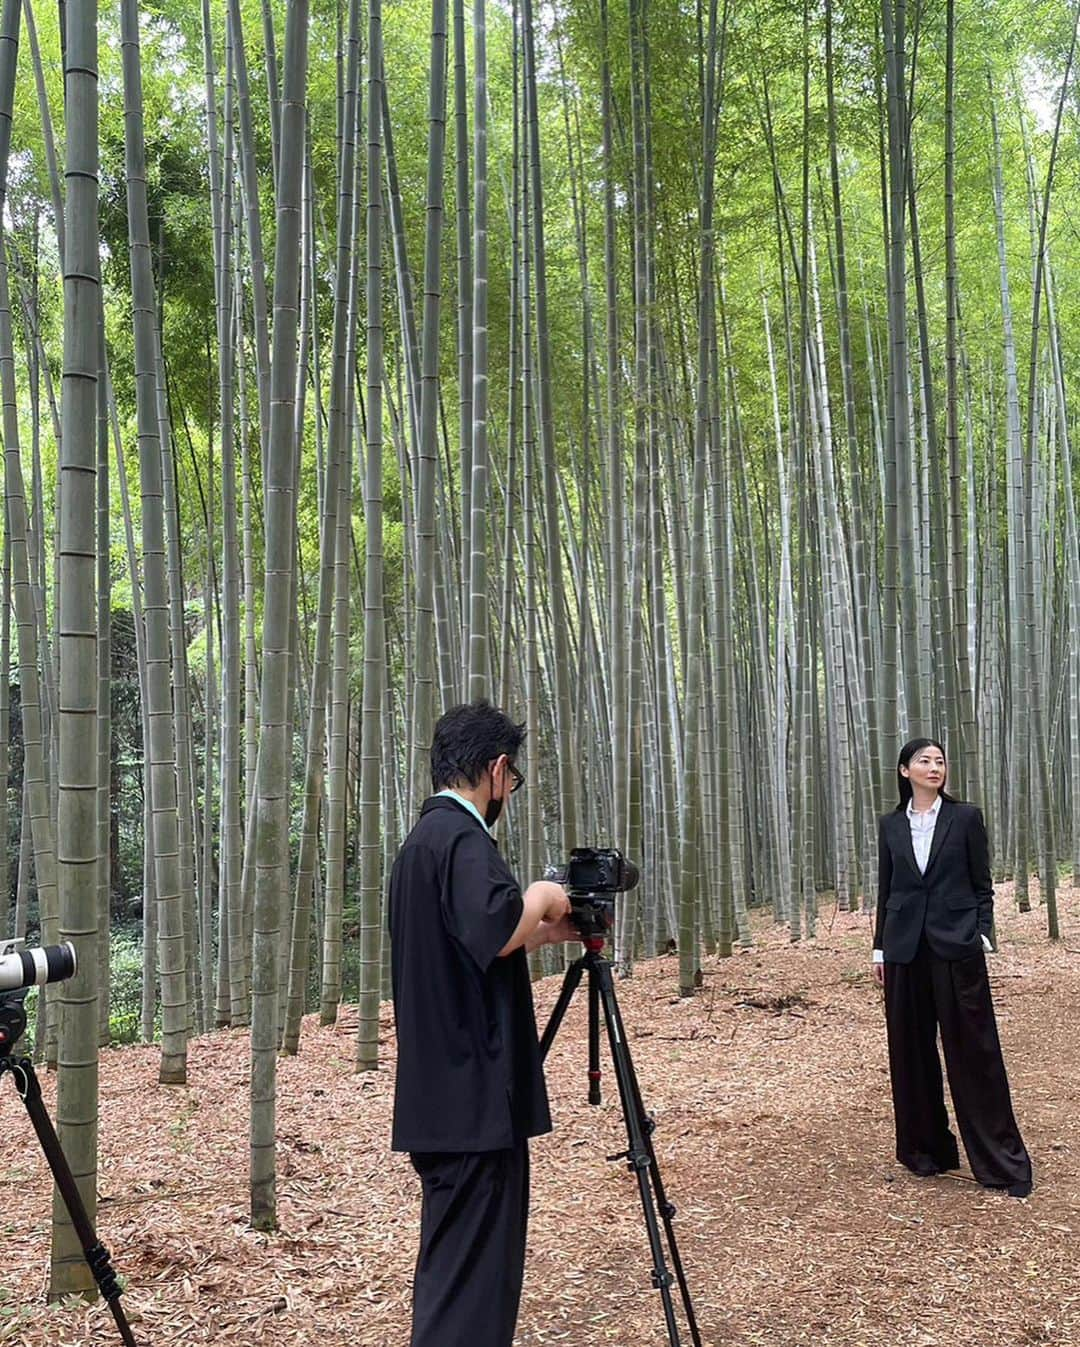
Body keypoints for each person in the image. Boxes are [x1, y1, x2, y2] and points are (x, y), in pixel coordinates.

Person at [389, 700, 578, 1347]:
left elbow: (472, 944)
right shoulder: (463, 839)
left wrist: (545, 934)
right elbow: (496, 924)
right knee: (473, 1294)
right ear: (497, 769)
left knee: (453, 1277)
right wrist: (545, 895)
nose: (511, 790)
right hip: (473, 1108)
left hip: (441, 1100)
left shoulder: (422, 844)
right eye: (513, 778)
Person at [872, 737, 1033, 1197]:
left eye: (940, 760)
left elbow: (982, 885)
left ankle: (1001, 1163)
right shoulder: (890, 826)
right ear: (905, 771)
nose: (934, 766)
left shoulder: (965, 818)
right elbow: (888, 891)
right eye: (924, 760)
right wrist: (880, 950)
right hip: (905, 950)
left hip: (955, 946)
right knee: (911, 1053)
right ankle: (927, 1152)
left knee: (974, 1051)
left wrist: (980, 933)